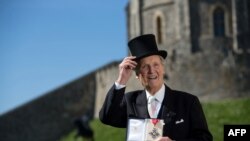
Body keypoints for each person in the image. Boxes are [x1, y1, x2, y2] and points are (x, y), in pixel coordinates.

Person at [99, 34, 212, 141]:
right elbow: (106, 117)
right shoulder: (130, 102)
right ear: (138, 75)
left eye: (156, 64)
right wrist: (121, 79)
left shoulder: (188, 102)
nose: (152, 71)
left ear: (163, 69)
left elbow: (205, 138)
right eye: (145, 66)